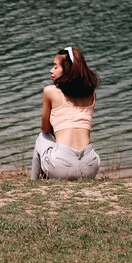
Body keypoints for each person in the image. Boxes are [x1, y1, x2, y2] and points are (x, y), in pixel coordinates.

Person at [31, 47, 101, 180]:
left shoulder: (50, 91)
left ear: (67, 71)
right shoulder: (91, 95)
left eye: (55, 67)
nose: (51, 70)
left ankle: (33, 184)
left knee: (42, 137)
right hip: (90, 166)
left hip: (62, 165)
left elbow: (45, 129)